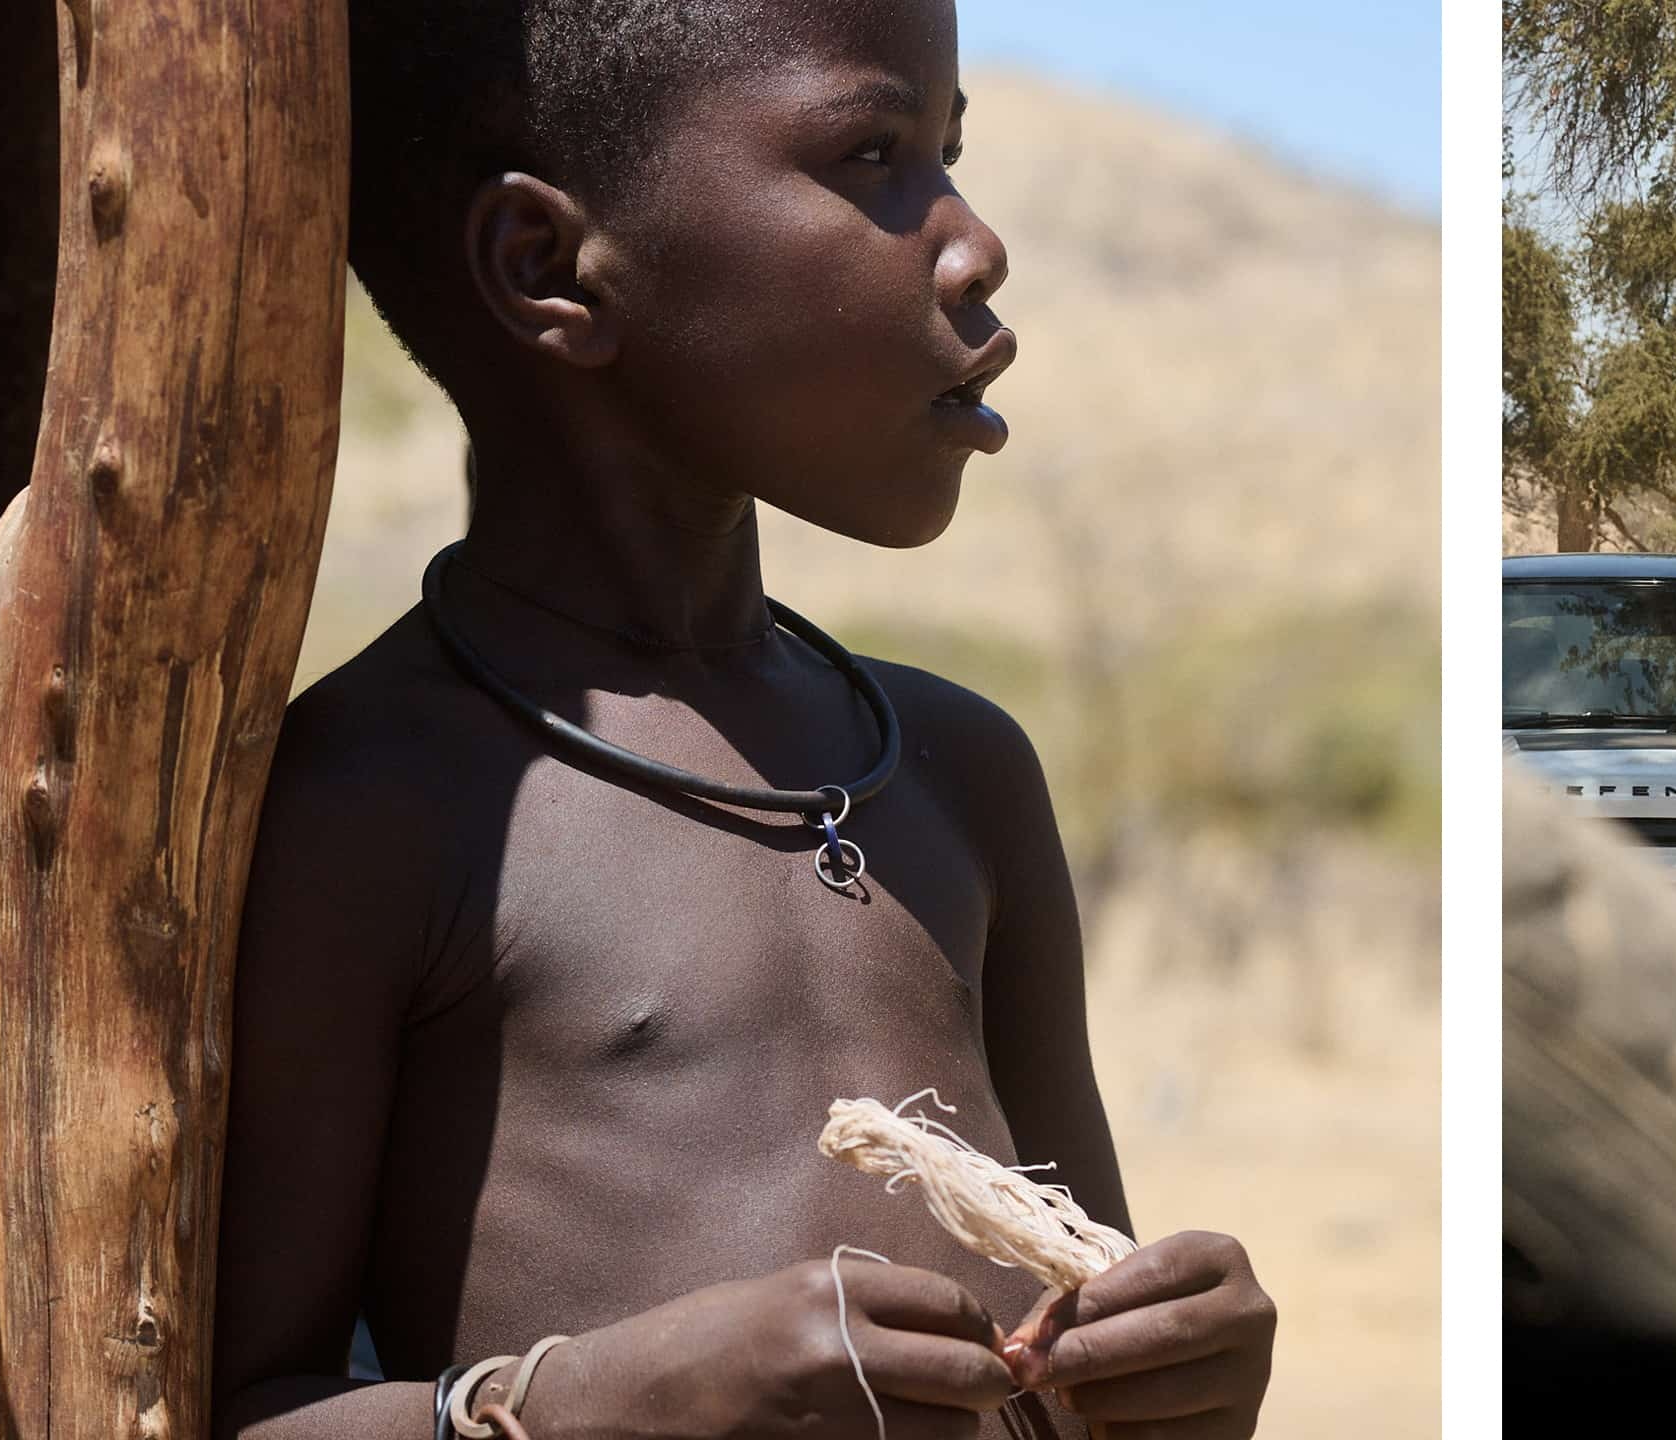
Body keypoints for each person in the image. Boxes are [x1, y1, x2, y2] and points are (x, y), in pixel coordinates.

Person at [212, 2, 1276, 1436]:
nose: (974, 242)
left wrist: (1173, 1366)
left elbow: (1080, 1353)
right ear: (552, 266)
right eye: (876, 155)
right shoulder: (377, 802)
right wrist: (589, 1402)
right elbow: (238, 1407)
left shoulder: (961, 774)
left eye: (949, 153)